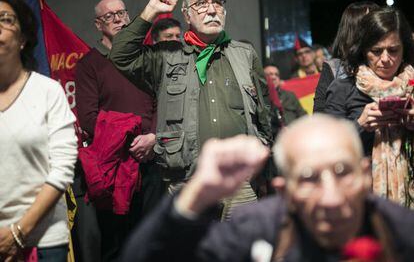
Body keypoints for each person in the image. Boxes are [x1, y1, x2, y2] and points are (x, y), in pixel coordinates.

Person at [121, 115, 414, 262]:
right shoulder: (257, 228)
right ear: (284, 192)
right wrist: (198, 193)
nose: (331, 198)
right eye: (309, 178)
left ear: (365, 176)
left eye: (342, 172)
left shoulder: (401, 230)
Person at [109, 0, 272, 220]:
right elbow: (121, 55)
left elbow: (264, 115)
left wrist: (264, 170)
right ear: (186, 15)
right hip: (188, 183)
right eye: (202, 3)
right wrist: (150, 12)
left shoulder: (244, 54)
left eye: (217, 2)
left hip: (242, 185)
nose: (211, 9)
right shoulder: (166, 56)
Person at [75, 0, 162, 261]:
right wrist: (132, 136)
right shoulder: (89, 65)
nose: (118, 19)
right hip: (114, 167)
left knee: (152, 241)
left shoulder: (148, 58)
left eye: (122, 13)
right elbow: (89, 118)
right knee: (117, 245)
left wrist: (153, 137)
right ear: (98, 24)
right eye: (109, 16)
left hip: (151, 161)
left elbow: (163, 102)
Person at [0, 0, 77, 261]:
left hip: (43, 241)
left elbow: (62, 169)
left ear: (23, 38)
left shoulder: (47, 91)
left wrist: (18, 232)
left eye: (5, 19)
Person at [324, 7, 414, 208]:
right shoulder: (343, 88)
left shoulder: (412, 85)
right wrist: (359, 125)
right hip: (359, 198)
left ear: (404, 49)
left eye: (393, 50)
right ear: (363, 50)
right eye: (376, 51)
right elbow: (325, 148)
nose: (385, 59)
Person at [313, 1, 379, 113]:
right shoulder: (335, 68)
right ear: (354, 29)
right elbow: (320, 117)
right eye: (371, 23)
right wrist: (359, 124)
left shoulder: (390, 62)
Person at [264, 65, 306, 130]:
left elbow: (303, 117)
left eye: (276, 75)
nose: (274, 77)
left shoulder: (289, 95)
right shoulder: (261, 98)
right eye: (270, 74)